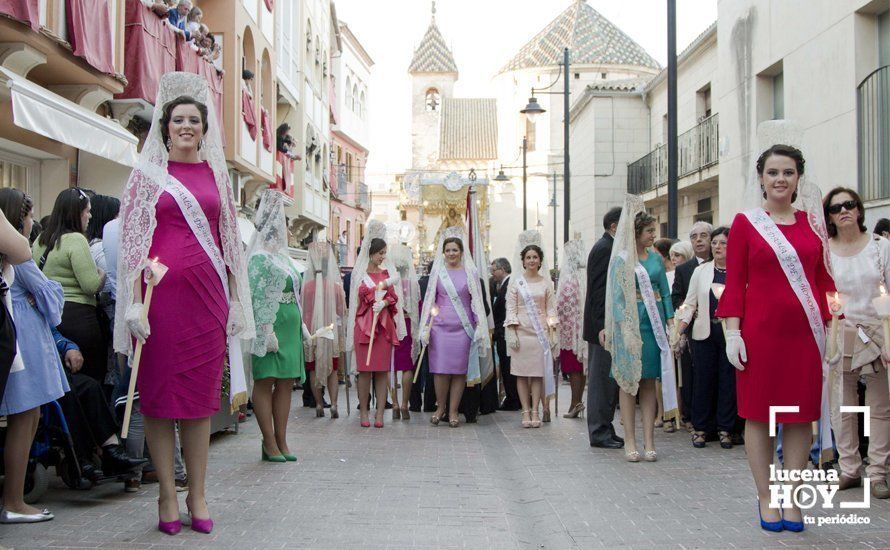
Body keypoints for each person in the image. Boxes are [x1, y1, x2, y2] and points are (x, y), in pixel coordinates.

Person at [114, 73, 254, 535]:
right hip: (160, 303)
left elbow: (230, 242)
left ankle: (198, 493)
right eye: (179, 120)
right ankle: (167, 496)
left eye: (195, 120)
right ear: (165, 126)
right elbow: (133, 246)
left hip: (208, 302)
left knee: (197, 402)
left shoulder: (217, 177)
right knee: (158, 400)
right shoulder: (147, 177)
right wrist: (134, 304)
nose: (187, 126)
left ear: (204, 128)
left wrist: (236, 298)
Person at [716, 143, 836, 532]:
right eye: (773, 172)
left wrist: (836, 326)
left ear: (799, 177)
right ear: (762, 179)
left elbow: (825, 282)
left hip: (805, 336)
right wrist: (732, 332)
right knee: (760, 416)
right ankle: (767, 497)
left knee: (800, 418)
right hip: (759, 336)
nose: (780, 179)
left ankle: (793, 498)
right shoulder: (746, 224)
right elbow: (734, 284)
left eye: (788, 172)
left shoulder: (813, 225)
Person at [0, 189, 70, 524]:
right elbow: (48, 295)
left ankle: (14, 498)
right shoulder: (18, 255)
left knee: (29, 418)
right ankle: (13, 500)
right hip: (24, 344)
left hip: (23, 342)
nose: (32, 223)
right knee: (24, 418)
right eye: (28, 217)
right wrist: (49, 292)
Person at [824, 187, 890, 499]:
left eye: (849, 204)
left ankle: (878, 472)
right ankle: (849, 468)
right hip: (839, 331)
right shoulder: (825, 251)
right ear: (830, 217)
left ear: (860, 210)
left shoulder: (880, 247)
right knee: (842, 404)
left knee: (879, 405)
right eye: (836, 208)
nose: (844, 211)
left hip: (877, 330)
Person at [606, 199, 676, 463]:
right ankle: (630, 441)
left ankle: (649, 441)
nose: (653, 236)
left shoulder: (657, 259)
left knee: (648, 382)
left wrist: (670, 322)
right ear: (636, 233)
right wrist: (623, 327)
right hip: (630, 325)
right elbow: (617, 298)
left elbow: (665, 293)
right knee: (628, 383)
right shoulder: (622, 261)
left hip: (653, 324)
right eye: (649, 231)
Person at [248, 190, 305, 462]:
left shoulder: (284, 257)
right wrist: (265, 330)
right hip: (270, 326)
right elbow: (256, 295)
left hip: (290, 324)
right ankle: (268, 441)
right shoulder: (258, 257)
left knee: (285, 382)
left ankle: (282, 439)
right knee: (265, 379)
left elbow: (294, 291)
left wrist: (302, 325)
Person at [33, 188, 107, 384]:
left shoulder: (40, 240)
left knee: (60, 383)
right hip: (79, 318)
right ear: (76, 213)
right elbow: (90, 286)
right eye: (87, 211)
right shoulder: (76, 240)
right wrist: (102, 274)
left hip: (49, 317)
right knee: (89, 381)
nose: (90, 216)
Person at [419, 230, 491, 427]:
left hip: (463, 329)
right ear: (443, 252)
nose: (451, 253)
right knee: (440, 370)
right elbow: (429, 301)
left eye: (455, 250)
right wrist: (425, 327)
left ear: (461, 252)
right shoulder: (437, 273)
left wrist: (478, 327)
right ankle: (440, 407)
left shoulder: (471, 273)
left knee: (459, 372)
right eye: (448, 250)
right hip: (440, 329)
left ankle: (453, 412)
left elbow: (476, 301)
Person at [675, 227, 737, 449]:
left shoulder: (739, 271)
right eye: (715, 243)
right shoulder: (701, 271)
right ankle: (701, 428)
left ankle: (725, 429)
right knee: (702, 380)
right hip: (704, 332)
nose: (718, 247)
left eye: (723, 243)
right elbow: (690, 303)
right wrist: (680, 328)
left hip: (731, 333)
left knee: (728, 381)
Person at [346, 221, 406, 428]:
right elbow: (358, 298)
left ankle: (380, 413)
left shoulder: (386, 274)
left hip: (383, 328)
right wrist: (372, 299)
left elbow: (393, 297)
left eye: (384, 253)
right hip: (364, 326)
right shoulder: (359, 274)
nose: (382, 257)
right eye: (380, 253)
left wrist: (386, 302)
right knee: (365, 371)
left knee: (381, 371)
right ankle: (364, 412)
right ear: (370, 253)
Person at [505, 232, 558, 428]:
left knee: (537, 374)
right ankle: (525, 411)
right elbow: (511, 308)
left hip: (540, 333)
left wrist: (553, 332)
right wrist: (511, 332)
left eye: (535, 257)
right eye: (528, 257)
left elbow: (551, 308)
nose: (532, 260)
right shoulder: (516, 283)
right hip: (521, 332)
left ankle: (536, 409)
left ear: (540, 260)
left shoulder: (546, 283)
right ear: (523, 260)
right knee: (521, 374)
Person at [583, 207, 624, 449]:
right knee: (601, 381)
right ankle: (599, 431)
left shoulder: (612, 248)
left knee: (609, 382)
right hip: (602, 328)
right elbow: (598, 292)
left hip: (609, 326)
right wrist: (601, 326)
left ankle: (606, 426)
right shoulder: (604, 249)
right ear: (614, 226)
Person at [671, 221, 712, 432]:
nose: (698, 240)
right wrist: (687, 310)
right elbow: (676, 297)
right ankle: (691, 416)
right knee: (690, 375)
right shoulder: (685, 269)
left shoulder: (722, 264)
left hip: (716, 328)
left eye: (703, 235)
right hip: (691, 328)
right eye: (694, 236)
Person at [302, 241, 346, 419]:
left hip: (313, 333)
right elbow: (342, 313)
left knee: (314, 369)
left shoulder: (306, 287)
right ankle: (334, 404)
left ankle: (319, 403)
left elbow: (303, 311)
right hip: (330, 332)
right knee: (332, 370)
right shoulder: (336, 288)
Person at [557, 238, 587, 418]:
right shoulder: (583, 278)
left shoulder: (569, 281)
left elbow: (562, 307)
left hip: (571, 332)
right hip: (581, 331)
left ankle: (575, 402)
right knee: (580, 367)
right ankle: (577, 401)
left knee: (574, 368)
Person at [388, 243, 419, 420]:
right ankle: (406, 403)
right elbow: (418, 306)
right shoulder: (412, 283)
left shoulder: (390, 283)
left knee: (390, 365)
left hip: (392, 325)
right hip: (407, 325)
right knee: (407, 366)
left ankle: (394, 403)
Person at [491, 258, 519, 411]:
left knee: (508, 368)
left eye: (494, 270)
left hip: (505, 334)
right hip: (502, 334)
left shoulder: (508, 285)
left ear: (502, 269)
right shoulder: (503, 285)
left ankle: (512, 399)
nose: (492, 273)